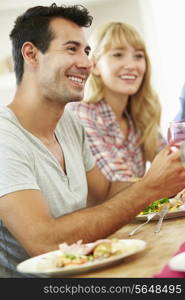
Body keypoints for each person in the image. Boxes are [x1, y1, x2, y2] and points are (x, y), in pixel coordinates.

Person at [0, 3, 185, 278]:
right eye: (71, 49)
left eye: (86, 51)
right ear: (31, 54)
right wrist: (150, 187)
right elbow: (45, 242)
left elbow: (105, 193)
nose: (87, 62)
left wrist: (167, 177)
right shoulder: (5, 138)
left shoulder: (68, 124)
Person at [67, 22, 166, 182]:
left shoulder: (139, 117)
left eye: (138, 56)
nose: (131, 65)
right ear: (95, 65)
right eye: (118, 55)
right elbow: (117, 183)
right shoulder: (82, 113)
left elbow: (176, 166)